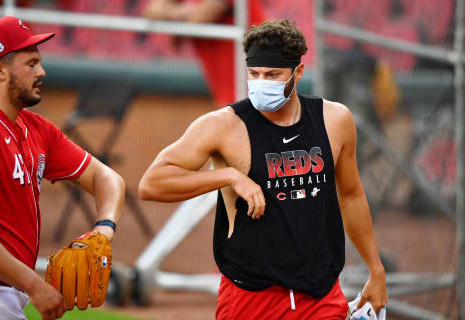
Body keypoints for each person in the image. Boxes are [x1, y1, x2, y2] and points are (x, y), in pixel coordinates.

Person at [139, 19, 387, 319]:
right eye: (253, 73)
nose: (261, 82)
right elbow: (151, 183)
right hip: (251, 298)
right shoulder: (222, 126)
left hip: (321, 295)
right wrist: (228, 176)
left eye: (272, 74)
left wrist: (375, 269)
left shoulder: (335, 120)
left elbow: (352, 196)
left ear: (298, 72)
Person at [0, 16, 125, 320]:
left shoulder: (36, 129)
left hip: (6, 296)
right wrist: (34, 284)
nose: (42, 72)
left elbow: (106, 177)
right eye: (31, 63)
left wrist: (104, 228)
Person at [143, 0, 265, 107]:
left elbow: (201, 17)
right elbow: (151, 10)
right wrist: (178, 13)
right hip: (228, 84)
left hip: (259, 75)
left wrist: (173, 19)